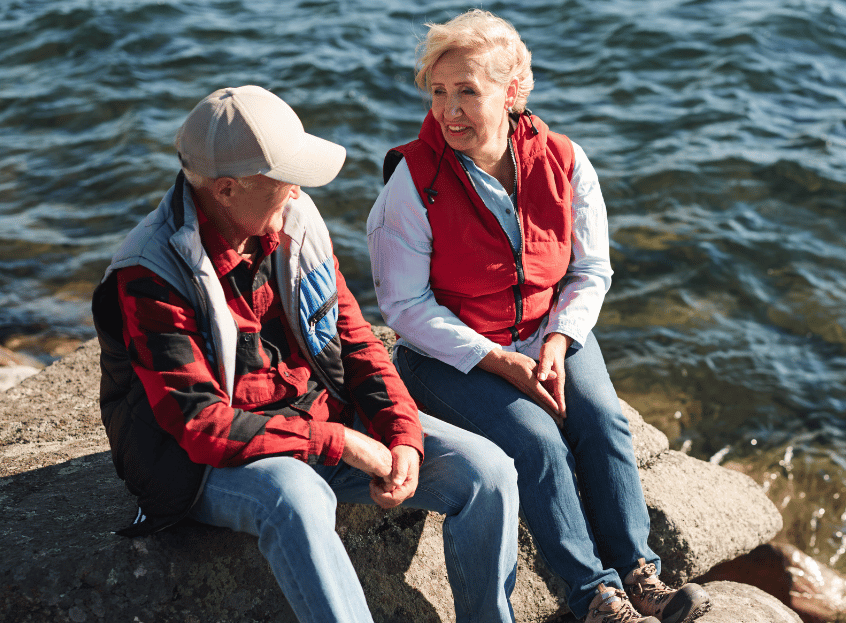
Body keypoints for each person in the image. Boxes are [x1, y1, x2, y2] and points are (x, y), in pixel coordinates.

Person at [91, 85, 520, 623]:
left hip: (315, 422)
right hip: (205, 463)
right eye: (284, 178)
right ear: (225, 189)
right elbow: (199, 424)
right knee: (296, 496)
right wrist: (338, 442)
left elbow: (357, 340)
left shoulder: (293, 221)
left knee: (488, 471)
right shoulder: (150, 274)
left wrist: (401, 433)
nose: (297, 192)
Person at [366, 10, 712, 623]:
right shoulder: (412, 183)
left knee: (603, 419)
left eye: (468, 91)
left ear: (513, 90)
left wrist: (558, 341)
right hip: (447, 354)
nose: (449, 111)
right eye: (439, 92)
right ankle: (594, 596)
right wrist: (498, 360)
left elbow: (589, 271)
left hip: (549, 329)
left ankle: (641, 575)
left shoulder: (566, 161)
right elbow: (402, 307)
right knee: (537, 440)